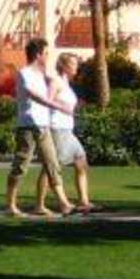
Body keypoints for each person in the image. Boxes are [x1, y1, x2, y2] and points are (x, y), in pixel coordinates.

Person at [5, 38, 72, 218]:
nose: (48, 56)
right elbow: (35, 96)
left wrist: (63, 99)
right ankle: (11, 205)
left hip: (43, 125)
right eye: (46, 53)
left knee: (52, 163)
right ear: (38, 54)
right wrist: (58, 106)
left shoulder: (42, 75)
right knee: (21, 166)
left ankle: (63, 203)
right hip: (27, 126)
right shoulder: (24, 73)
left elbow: (52, 89)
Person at [45, 53, 95, 215]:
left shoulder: (67, 84)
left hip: (68, 129)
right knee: (53, 167)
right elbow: (46, 101)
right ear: (64, 66)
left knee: (81, 162)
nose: (76, 67)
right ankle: (44, 203)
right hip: (57, 128)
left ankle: (84, 201)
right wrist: (61, 107)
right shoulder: (56, 81)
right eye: (73, 64)